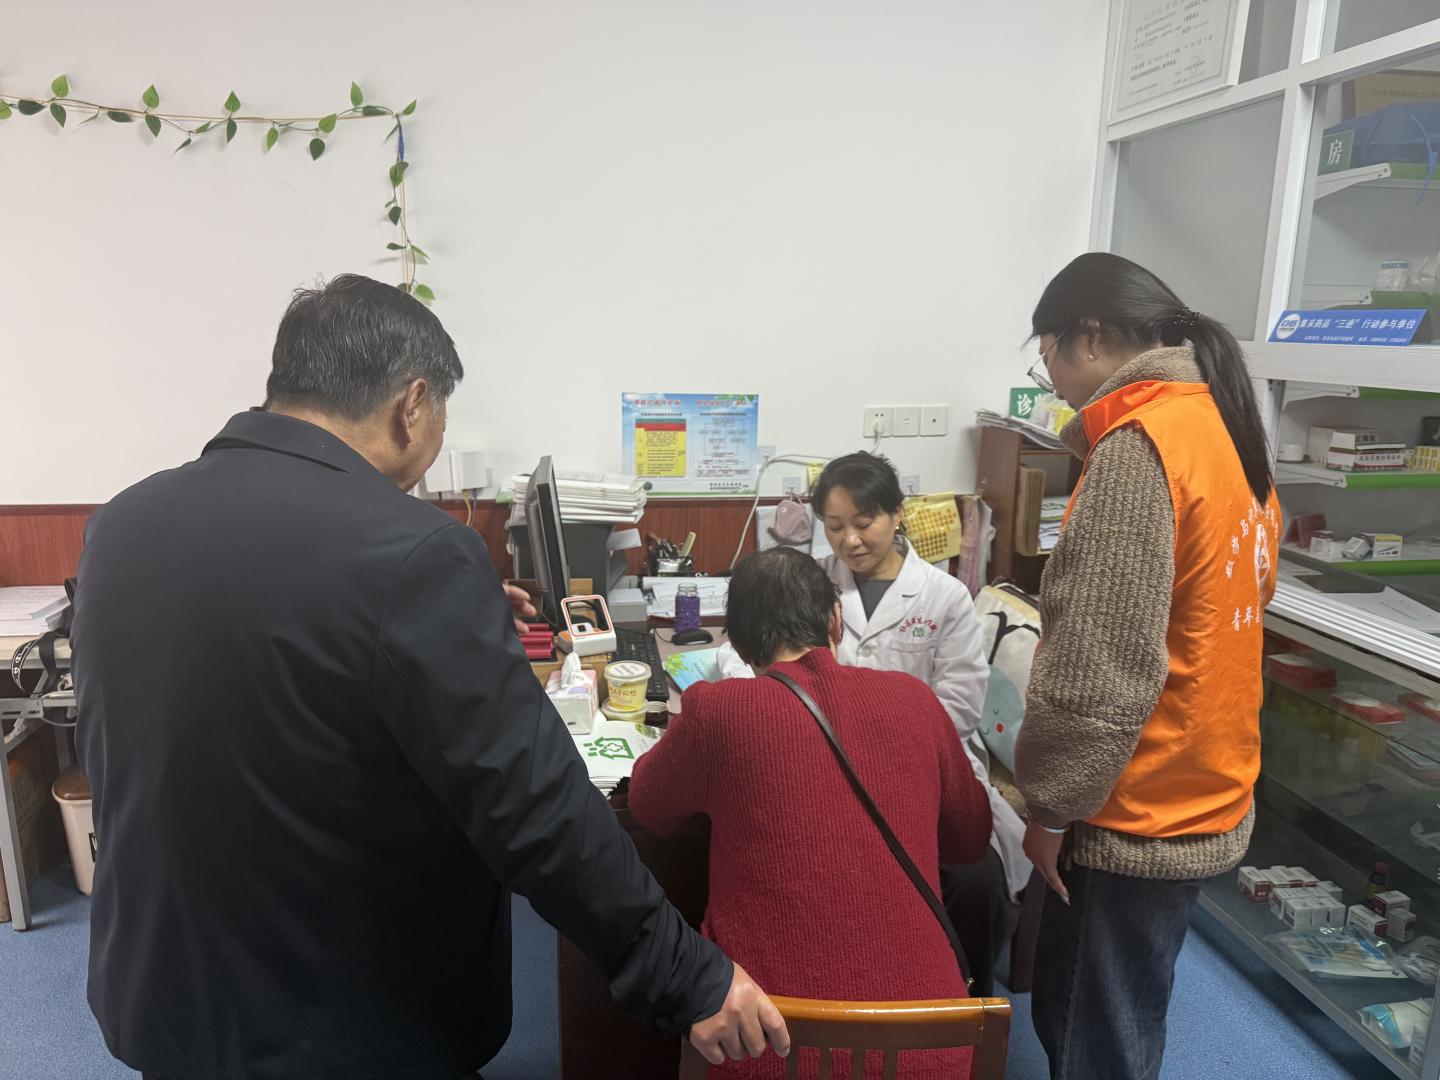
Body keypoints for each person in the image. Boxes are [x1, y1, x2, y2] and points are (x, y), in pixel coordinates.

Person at [71, 275, 788, 1080]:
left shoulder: (121, 525)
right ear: (412, 405)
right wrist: (684, 973)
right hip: (336, 1024)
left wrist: (440, 620)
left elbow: (253, 668)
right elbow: (536, 806)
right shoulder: (408, 551)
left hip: (164, 992)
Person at [1013, 252, 1279, 1080]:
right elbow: (1248, 593)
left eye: (1047, 358)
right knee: (1130, 1005)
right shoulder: (1223, 422)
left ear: (1090, 336)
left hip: (1134, 801)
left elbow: (1097, 673)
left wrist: (1050, 810)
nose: (1053, 384)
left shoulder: (1140, 447)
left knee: (1092, 1036)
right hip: (1208, 775)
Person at [628, 548, 992, 1079]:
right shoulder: (915, 700)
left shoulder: (718, 710)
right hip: (931, 1046)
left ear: (738, 644)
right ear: (835, 621)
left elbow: (647, 806)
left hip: (770, 1046)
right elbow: (970, 837)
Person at [811, 452, 1030, 996]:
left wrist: (878, 740)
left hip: (930, 770)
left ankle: (968, 1008)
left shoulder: (944, 596)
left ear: (896, 515)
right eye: (834, 527)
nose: (848, 541)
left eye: (863, 523)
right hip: (829, 766)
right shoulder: (812, 584)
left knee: (975, 879)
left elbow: (959, 705)